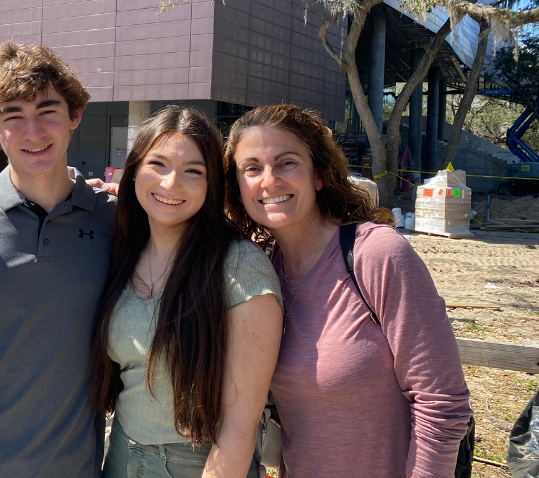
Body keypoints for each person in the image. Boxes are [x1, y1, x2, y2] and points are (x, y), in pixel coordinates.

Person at [223, 104, 471, 478]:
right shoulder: (261, 273)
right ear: (238, 187)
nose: (269, 180)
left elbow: (441, 403)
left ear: (319, 174)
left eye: (287, 162)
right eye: (252, 168)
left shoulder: (376, 254)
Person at [0, 41, 117, 478]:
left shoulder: (116, 221)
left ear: (75, 116)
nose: (33, 132)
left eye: (47, 110)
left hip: (70, 464)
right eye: (13, 115)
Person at [95, 106, 283, 478]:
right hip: (119, 453)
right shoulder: (121, 251)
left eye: (193, 171)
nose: (170, 184)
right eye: (158, 164)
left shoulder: (238, 266)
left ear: (212, 184)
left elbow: (239, 428)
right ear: (134, 171)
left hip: (196, 463)